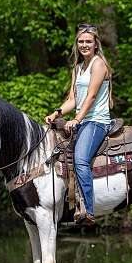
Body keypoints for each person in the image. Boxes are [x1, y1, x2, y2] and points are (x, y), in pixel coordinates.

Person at [45, 23, 113, 226]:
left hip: (96, 121)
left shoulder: (98, 64)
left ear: (95, 44)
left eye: (88, 42)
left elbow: (91, 97)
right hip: (82, 121)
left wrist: (76, 119)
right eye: (81, 41)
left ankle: (89, 211)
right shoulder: (77, 68)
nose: (84, 45)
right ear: (77, 44)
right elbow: (73, 99)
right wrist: (56, 113)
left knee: (81, 159)